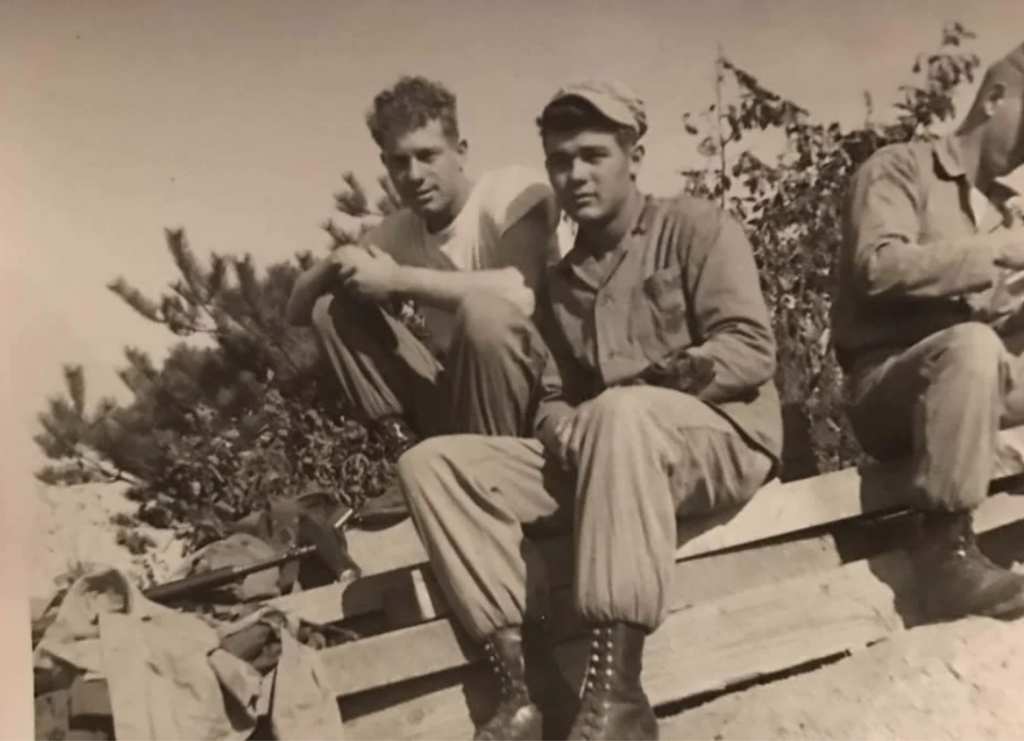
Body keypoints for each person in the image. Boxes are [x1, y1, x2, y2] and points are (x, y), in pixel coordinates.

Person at [397, 80, 783, 741]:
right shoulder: (562, 283)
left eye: (592, 155)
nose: (574, 174)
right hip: (612, 458)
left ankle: (618, 694)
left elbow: (750, 348)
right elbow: (549, 399)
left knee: (620, 411)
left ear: (634, 154)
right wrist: (565, 427)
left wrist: (647, 392)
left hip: (720, 440)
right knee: (432, 463)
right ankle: (526, 686)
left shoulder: (696, 227)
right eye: (559, 160)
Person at [831, 42, 1024, 623]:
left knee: (979, 347)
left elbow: (1000, 324)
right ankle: (947, 555)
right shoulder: (898, 168)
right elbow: (878, 267)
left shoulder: (1009, 210)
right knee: (970, 347)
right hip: (890, 386)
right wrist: (996, 253)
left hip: (974, 386)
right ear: (995, 98)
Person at [286, 76, 562, 475]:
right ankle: (407, 452)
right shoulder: (399, 229)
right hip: (465, 398)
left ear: (460, 151)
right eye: (399, 161)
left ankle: (490, 474)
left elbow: (520, 294)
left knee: (485, 316)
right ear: (385, 163)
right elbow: (297, 312)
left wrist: (397, 279)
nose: (413, 174)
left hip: (543, 391)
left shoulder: (510, 191)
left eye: (427, 155)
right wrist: (335, 260)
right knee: (330, 309)